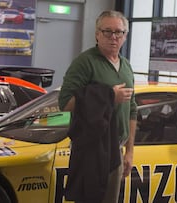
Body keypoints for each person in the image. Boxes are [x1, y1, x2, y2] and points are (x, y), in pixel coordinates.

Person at [58, 10, 137, 203]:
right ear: (97, 34)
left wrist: (130, 151)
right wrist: (109, 95)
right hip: (91, 149)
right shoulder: (85, 62)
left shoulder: (126, 65)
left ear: (125, 36)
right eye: (107, 31)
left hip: (116, 148)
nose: (113, 37)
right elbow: (65, 102)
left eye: (119, 32)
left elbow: (132, 110)